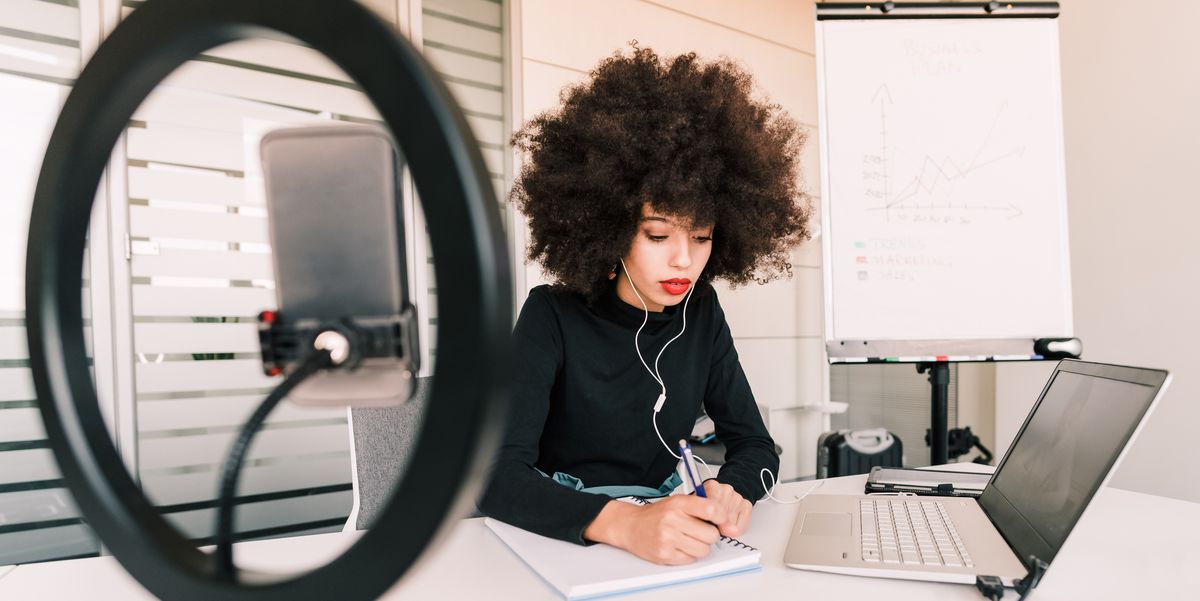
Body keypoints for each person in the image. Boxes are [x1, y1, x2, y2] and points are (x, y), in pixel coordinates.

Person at [478, 44, 812, 566]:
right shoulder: (551, 314)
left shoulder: (700, 312)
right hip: (563, 536)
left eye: (700, 236)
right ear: (609, 229)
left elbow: (755, 446)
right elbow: (496, 478)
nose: (684, 259)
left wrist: (733, 489)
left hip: (673, 528)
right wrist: (625, 523)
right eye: (658, 235)